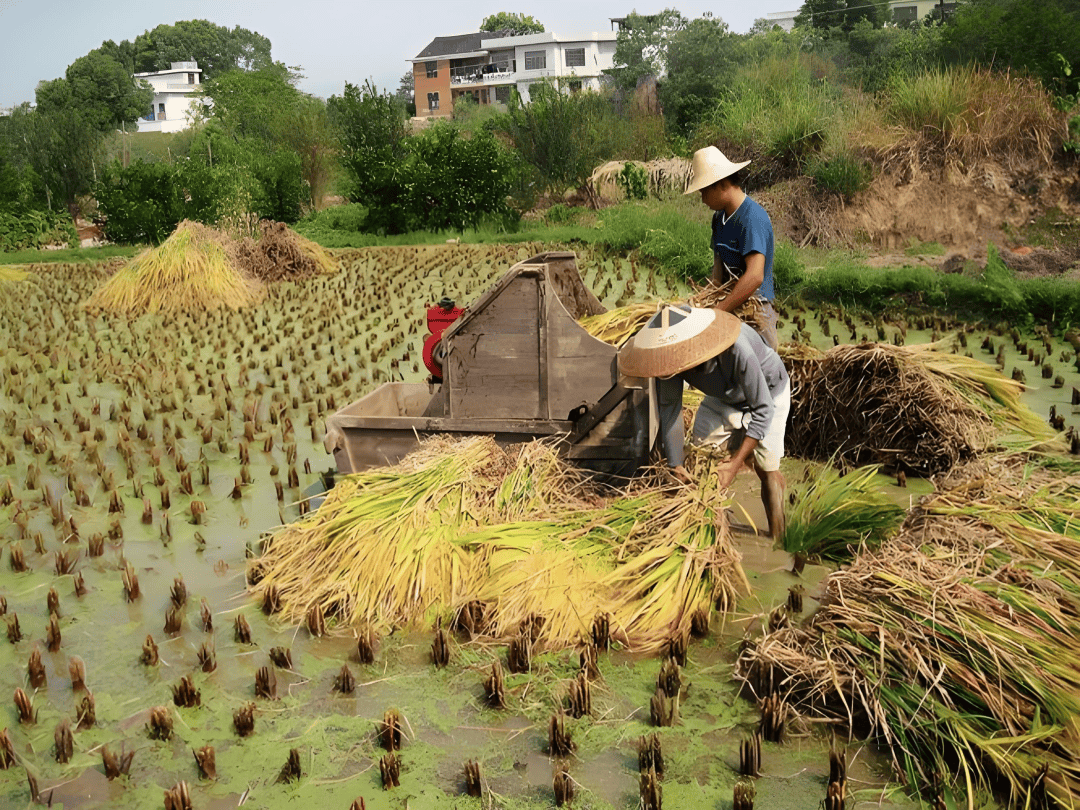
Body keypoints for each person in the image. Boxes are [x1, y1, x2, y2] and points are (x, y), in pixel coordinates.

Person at [618, 304, 789, 540]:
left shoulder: (738, 350)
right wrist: (676, 463)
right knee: (703, 458)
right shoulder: (671, 360)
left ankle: (778, 540)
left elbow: (763, 409)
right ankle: (715, 530)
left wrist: (736, 462)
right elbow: (670, 409)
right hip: (723, 395)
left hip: (769, 392)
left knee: (766, 468)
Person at [685, 146, 779, 351]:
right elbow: (718, 275)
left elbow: (755, 276)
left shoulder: (752, 218)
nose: (702, 199)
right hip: (729, 306)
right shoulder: (718, 219)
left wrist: (719, 311)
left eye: (704, 191)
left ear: (721, 184)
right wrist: (700, 303)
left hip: (755, 312)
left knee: (757, 373)